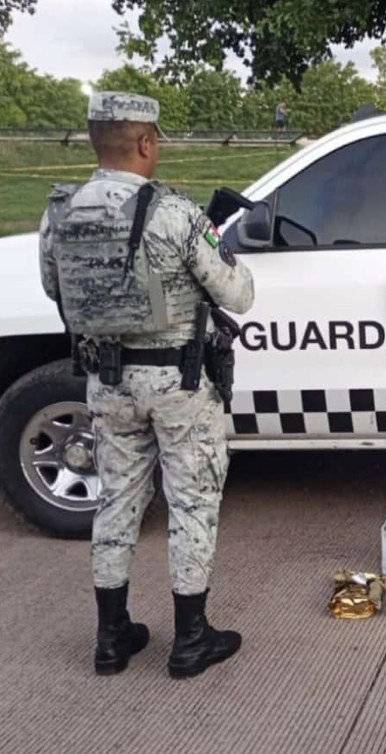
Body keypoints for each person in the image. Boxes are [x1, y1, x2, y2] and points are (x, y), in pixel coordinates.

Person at [38, 91, 255, 676]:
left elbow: (55, 290)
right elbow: (238, 294)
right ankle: (191, 640)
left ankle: (111, 638)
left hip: (107, 382)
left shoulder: (57, 211)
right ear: (145, 141)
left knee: (116, 501)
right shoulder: (174, 213)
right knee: (191, 502)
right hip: (179, 383)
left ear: (92, 142)